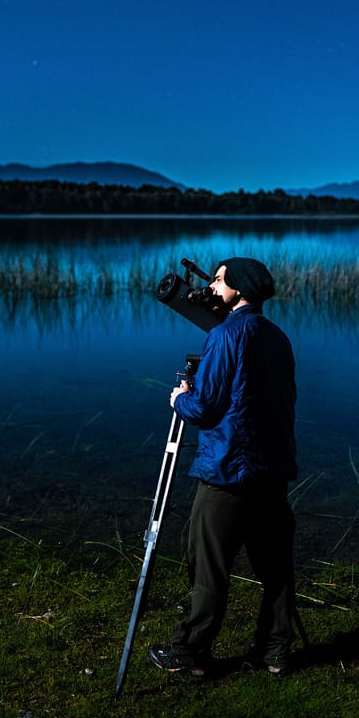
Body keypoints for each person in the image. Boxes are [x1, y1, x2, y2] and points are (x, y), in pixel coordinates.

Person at [148, 256, 299, 677]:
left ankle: (190, 653)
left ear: (239, 287)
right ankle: (275, 652)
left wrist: (180, 398)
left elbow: (206, 408)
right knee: (275, 568)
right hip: (272, 470)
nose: (212, 287)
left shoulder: (225, 335)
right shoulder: (277, 337)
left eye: (218, 280)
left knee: (208, 565)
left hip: (227, 471)